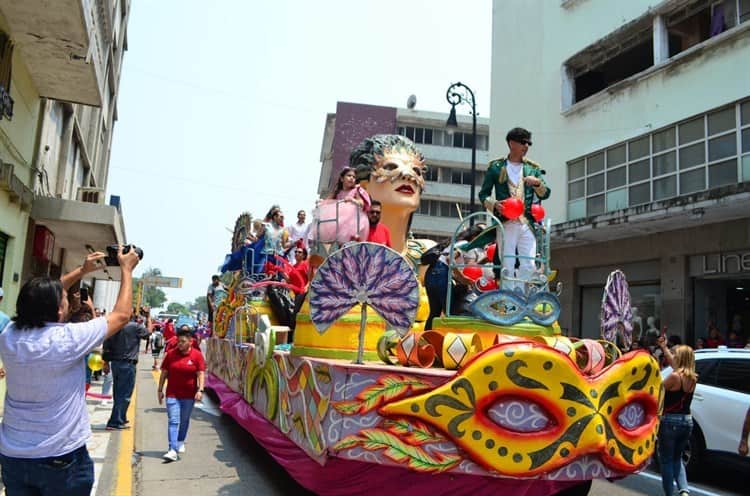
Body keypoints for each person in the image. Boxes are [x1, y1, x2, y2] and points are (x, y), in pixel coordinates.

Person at [0, 248, 139, 495]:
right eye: (64, 298)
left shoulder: (9, 334)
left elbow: (36, 299)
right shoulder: (68, 338)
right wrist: (126, 269)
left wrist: (82, 271)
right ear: (59, 311)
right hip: (61, 458)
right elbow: (121, 315)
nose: (68, 298)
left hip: (13, 456)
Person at [477, 127, 550, 289]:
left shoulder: (533, 169)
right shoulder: (496, 167)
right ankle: (508, 301)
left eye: (528, 143)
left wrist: (537, 183)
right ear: (512, 143)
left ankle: (523, 297)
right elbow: (483, 195)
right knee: (507, 263)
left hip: (526, 223)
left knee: (529, 263)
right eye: (523, 143)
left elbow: (546, 194)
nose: (526, 147)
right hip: (506, 222)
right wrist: (495, 205)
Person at [157, 328, 205, 462]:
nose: (180, 344)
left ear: (191, 342)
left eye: (183, 341)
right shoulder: (171, 354)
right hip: (172, 394)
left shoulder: (197, 355)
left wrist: (200, 390)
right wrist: (160, 390)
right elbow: (164, 373)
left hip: (189, 395)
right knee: (173, 421)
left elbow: (200, 373)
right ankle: (172, 449)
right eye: (178, 341)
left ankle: (180, 441)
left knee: (184, 420)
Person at [657, 336, 696, 496]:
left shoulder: (674, 377)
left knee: (666, 460)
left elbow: (658, 390)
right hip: (687, 421)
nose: (674, 357)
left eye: (676, 354)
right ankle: (684, 491)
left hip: (669, 421)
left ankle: (669, 494)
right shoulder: (693, 378)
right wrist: (664, 347)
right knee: (677, 458)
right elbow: (676, 366)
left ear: (681, 358)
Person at [102, 308, 151, 430]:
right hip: (128, 364)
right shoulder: (134, 327)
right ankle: (115, 421)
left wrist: (106, 363)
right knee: (124, 394)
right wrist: (149, 317)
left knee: (118, 393)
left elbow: (106, 346)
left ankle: (121, 417)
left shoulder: (113, 327)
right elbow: (148, 332)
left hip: (116, 363)